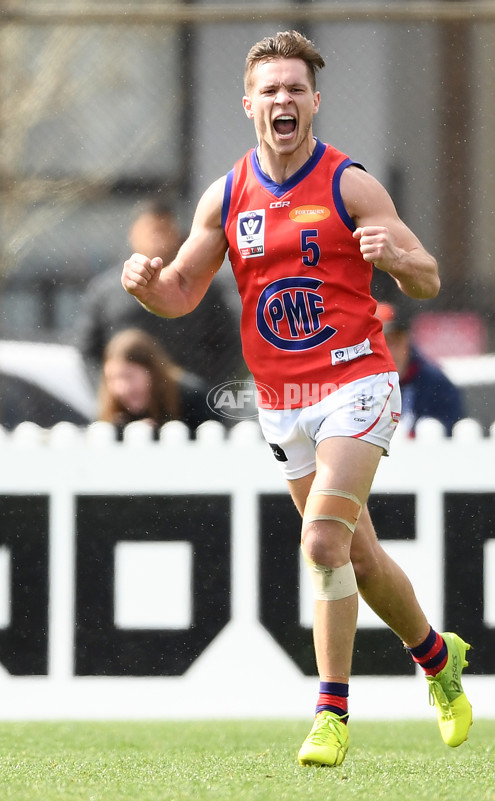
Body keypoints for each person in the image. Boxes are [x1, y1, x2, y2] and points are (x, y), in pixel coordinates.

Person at [121, 31, 472, 766]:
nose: (283, 99)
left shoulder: (349, 184)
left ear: (315, 100)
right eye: (270, 89)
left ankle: (330, 712)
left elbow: (428, 278)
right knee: (361, 557)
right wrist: (151, 289)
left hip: (356, 383)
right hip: (283, 401)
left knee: (321, 542)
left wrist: (399, 259)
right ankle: (439, 659)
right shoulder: (228, 194)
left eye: (295, 88)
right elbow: (183, 288)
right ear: (249, 103)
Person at [72, 200, 243, 388]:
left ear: (177, 235)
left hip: (189, 405)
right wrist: (110, 391)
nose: (157, 238)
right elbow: (87, 350)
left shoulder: (202, 286)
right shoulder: (106, 291)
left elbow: (228, 344)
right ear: (133, 234)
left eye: (164, 230)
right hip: (127, 401)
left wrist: (204, 390)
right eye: (150, 230)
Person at [97, 328, 218, 437]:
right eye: (112, 379)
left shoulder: (193, 399)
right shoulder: (114, 416)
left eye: (129, 376)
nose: (121, 388)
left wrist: (158, 436)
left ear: (152, 371)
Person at [377, 300, 466, 435]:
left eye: (395, 342)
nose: (390, 351)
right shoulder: (354, 384)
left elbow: (454, 432)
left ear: (407, 340)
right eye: (381, 343)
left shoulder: (435, 383)